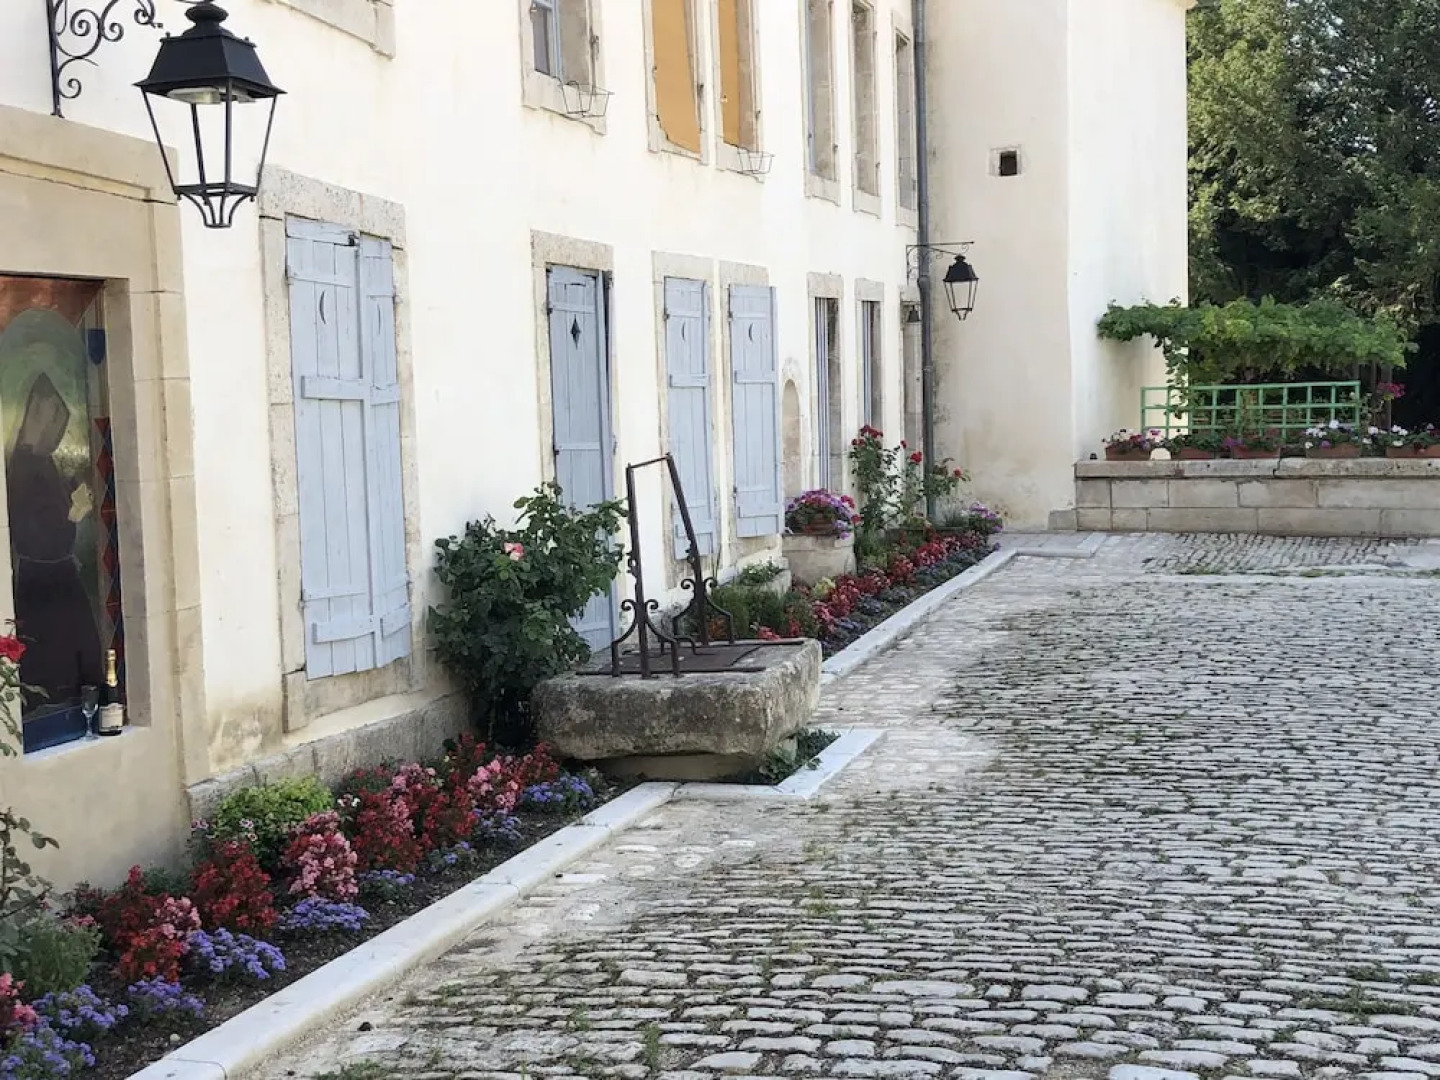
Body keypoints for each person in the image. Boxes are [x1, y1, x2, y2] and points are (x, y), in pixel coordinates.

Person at [7, 372, 102, 713]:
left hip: (57, 574)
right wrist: (71, 515)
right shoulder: (23, 464)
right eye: (47, 415)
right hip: (43, 577)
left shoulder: (39, 460)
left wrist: (72, 498)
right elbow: (29, 526)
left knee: (75, 648)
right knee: (53, 652)